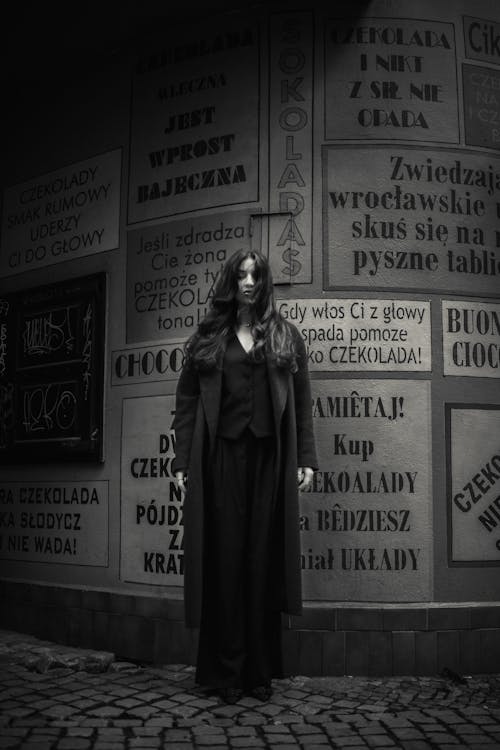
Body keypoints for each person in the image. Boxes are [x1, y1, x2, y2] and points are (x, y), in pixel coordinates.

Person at [172, 249, 317, 704]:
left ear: (266, 282)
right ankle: (224, 672)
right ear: (231, 281)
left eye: (256, 275)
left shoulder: (284, 336)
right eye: (242, 274)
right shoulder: (208, 337)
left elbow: (302, 401)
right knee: (225, 558)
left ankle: (258, 674)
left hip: (269, 460)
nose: (249, 282)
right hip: (220, 460)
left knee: (261, 559)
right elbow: (188, 404)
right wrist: (181, 462)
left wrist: (305, 458)